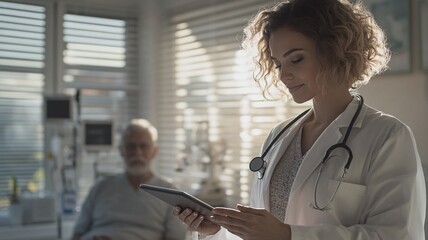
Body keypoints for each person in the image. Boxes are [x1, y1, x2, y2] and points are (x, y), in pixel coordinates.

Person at [173, 0, 426, 239]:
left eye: (296, 59)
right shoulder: (278, 137)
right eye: (278, 63)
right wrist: (216, 231)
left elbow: (398, 235)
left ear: (334, 51)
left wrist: (289, 235)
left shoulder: (388, 136)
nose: (284, 75)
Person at [72, 119, 187, 240]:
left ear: (154, 151)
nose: (137, 152)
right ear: (121, 151)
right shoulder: (101, 187)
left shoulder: (170, 192)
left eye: (143, 146)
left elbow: (176, 237)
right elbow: (77, 233)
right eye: (131, 146)